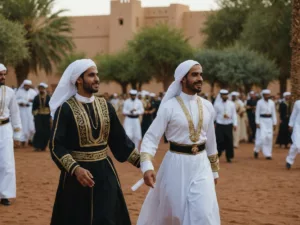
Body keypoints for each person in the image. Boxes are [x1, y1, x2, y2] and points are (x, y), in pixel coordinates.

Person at [49, 59, 140, 225]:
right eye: (91, 75)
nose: (97, 79)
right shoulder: (66, 109)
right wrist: (75, 169)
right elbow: (56, 146)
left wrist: (144, 164)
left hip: (105, 174)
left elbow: (120, 143)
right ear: (78, 79)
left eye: (97, 75)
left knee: (108, 217)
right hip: (76, 178)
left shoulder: (106, 106)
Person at [137, 60, 220, 225]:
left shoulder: (208, 106)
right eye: (194, 74)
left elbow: (211, 140)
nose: (200, 78)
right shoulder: (169, 107)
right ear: (183, 78)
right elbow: (151, 138)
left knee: (203, 214)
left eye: (201, 74)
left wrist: (215, 170)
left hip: (202, 165)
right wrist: (147, 167)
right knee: (176, 215)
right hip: (176, 165)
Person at [0, 64, 22, 206]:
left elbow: (15, 113)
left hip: (5, 129)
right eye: (0, 75)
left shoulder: (9, 92)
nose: (2, 77)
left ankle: (5, 195)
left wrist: (17, 134)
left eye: (4, 75)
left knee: (7, 163)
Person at [214, 89, 237, 163]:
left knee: (229, 141)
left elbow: (234, 114)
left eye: (226, 95)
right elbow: (214, 115)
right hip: (220, 124)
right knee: (219, 140)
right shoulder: (217, 104)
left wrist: (235, 124)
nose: (225, 96)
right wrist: (212, 123)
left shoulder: (231, 104)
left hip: (228, 124)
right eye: (223, 95)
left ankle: (228, 156)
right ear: (221, 96)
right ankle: (218, 154)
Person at [254, 89, 277, 160]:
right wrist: (257, 122)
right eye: (266, 95)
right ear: (263, 95)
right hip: (262, 121)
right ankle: (256, 150)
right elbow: (257, 113)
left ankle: (268, 154)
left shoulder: (272, 103)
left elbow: (274, 113)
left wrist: (274, 123)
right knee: (262, 137)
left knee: (269, 138)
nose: (267, 96)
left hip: (269, 121)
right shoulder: (259, 102)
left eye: (268, 95)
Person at [15, 79, 37, 146]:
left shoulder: (33, 92)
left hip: (30, 110)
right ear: (24, 85)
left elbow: (37, 100)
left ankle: (31, 139)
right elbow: (15, 100)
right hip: (22, 110)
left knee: (31, 125)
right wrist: (20, 103)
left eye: (28, 86)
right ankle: (23, 140)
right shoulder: (19, 91)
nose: (27, 87)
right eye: (26, 85)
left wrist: (32, 100)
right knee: (23, 125)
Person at [32, 83, 51, 151]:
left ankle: (43, 146)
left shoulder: (49, 97)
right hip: (39, 115)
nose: (41, 90)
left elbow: (51, 107)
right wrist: (35, 115)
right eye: (40, 88)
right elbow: (34, 107)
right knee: (39, 130)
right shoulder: (36, 97)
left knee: (46, 131)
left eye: (42, 88)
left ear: (44, 89)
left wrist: (51, 117)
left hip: (47, 116)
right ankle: (37, 146)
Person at [286, 100, 300, 169]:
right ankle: (289, 160)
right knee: (297, 144)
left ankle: (289, 161)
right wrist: (290, 124)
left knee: (295, 145)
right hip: (298, 126)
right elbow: (294, 114)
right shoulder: (298, 103)